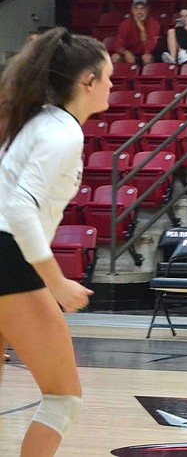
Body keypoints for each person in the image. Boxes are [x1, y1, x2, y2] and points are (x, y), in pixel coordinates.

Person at [0, 27, 112, 457]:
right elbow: (20, 210)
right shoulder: (63, 132)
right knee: (63, 398)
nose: (111, 86)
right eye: (107, 78)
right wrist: (57, 282)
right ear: (86, 82)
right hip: (9, 260)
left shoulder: (37, 121)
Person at [110, 0, 162, 66]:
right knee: (115, 57)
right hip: (130, 54)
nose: (139, 12)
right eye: (136, 9)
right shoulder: (126, 23)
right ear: (132, 10)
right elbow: (117, 45)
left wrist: (142, 29)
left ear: (147, 10)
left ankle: (147, 77)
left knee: (146, 58)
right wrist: (126, 53)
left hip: (148, 55)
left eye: (142, 9)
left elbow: (149, 49)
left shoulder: (154, 24)